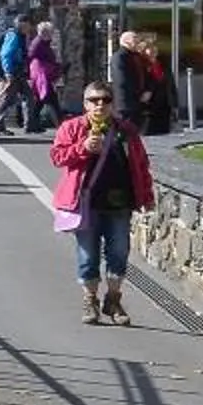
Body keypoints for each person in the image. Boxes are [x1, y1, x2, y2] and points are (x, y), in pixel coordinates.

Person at [51, 80, 155, 325]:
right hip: (86, 202)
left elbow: (141, 166)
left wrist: (147, 196)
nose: (100, 105)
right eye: (94, 101)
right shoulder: (72, 127)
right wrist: (83, 148)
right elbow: (57, 156)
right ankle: (90, 300)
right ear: (85, 104)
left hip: (120, 203)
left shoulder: (126, 130)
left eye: (105, 100)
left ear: (112, 103)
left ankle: (113, 299)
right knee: (88, 256)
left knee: (118, 253)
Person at [118, 31, 176, 135]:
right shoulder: (141, 64)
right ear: (143, 51)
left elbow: (170, 84)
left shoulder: (162, 64)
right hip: (149, 107)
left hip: (165, 106)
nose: (153, 51)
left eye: (155, 48)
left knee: (165, 134)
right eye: (150, 49)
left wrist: (174, 103)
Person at [26, 20, 63, 131]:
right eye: (50, 32)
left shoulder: (42, 43)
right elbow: (31, 56)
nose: (51, 35)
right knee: (52, 101)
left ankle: (32, 124)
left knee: (40, 101)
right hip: (41, 77)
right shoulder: (38, 43)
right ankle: (61, 125)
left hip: (43, 76)